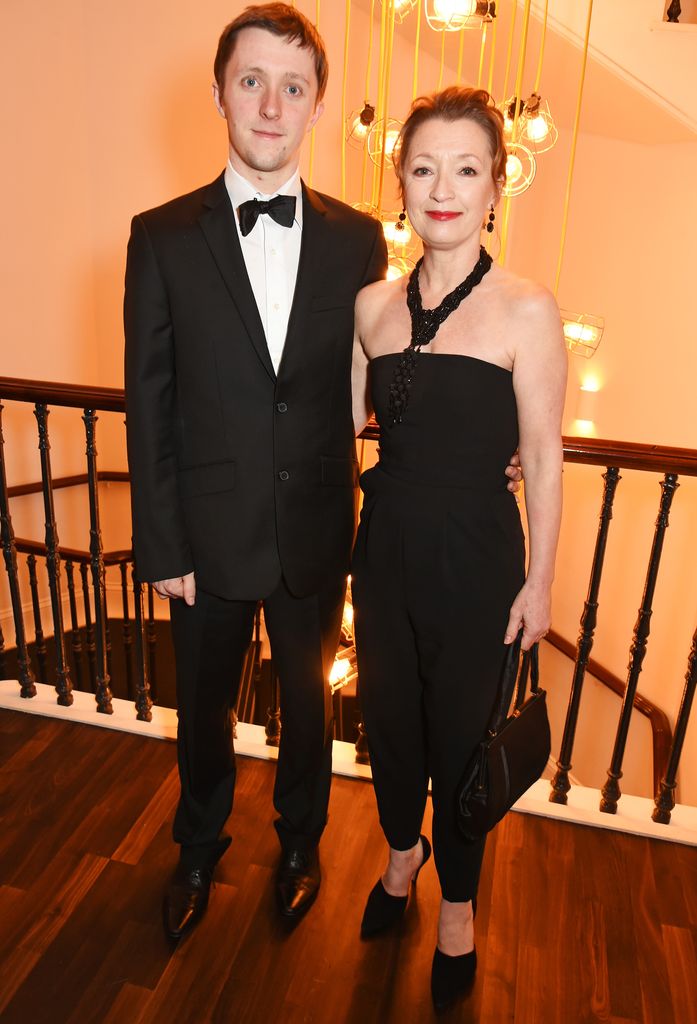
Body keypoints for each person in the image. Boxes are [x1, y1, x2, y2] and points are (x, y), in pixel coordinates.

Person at [125, 6, 522, 944]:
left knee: (308, 710)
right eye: (252, 80)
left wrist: (479, 440)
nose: (270, 103)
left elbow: (387, 377)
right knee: (203, 717)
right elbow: (149, 404)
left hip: (318, 532)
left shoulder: (357, 244)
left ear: (315, 108)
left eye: (293, 87)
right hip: (206, 538)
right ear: (219, 90)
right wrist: (162, 545)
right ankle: (196, 846)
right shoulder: (161, 236)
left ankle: (299, 845)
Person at [351, 85, 567, 1011]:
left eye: (466, 169)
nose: (443, 187)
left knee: (460, 744)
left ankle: (459, 907)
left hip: (480, 560)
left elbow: (547, 458)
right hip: (384, 545)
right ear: (400, 182)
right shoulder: (369, 307)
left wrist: (542, 581)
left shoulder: (527, 309)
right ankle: (403, 855)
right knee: (389, 729)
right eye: (424, 167)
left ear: (493, 191)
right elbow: (349, 429)